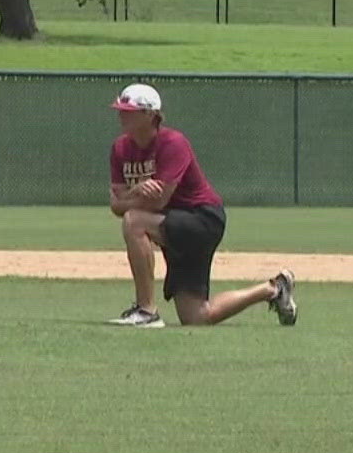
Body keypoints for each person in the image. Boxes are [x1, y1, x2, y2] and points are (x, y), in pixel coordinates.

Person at [105, 82, 296, 328]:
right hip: (171, 222)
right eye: (120, 109)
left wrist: (127, 199)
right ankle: (273, 289)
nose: (120, 115)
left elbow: (158, 200)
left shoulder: (173, 143)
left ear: (149, 114)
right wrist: (137, 190)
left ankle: (146, 311)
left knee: (134, 221)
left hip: (202, 218)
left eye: (128, 111)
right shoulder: (120, 148)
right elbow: (115, 206)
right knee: (196, 317)